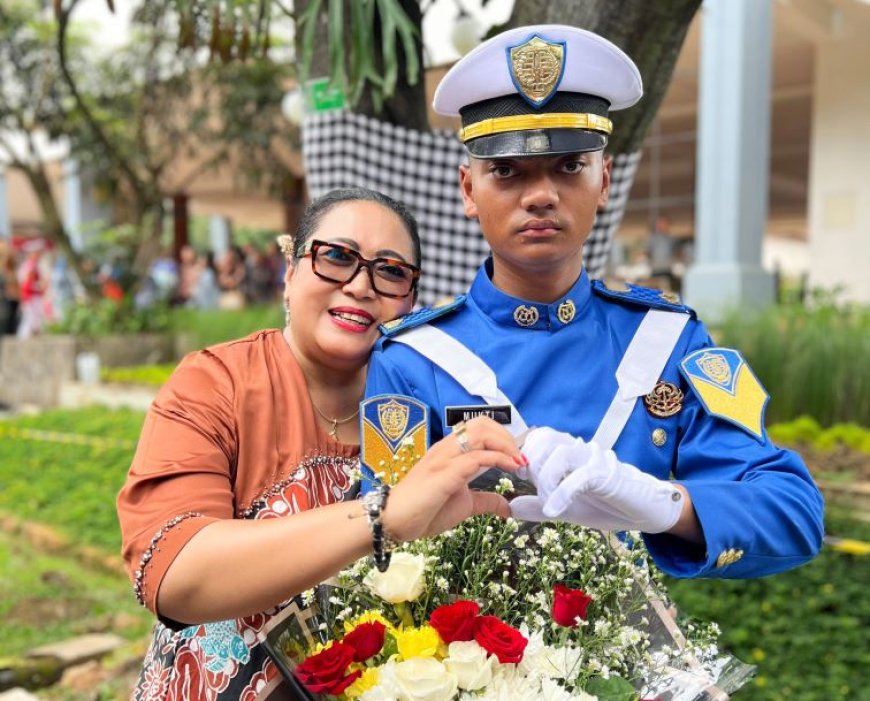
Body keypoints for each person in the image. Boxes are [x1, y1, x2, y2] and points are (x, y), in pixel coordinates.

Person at [364, 25, 824, 580]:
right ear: (468, 190)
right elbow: (383, 543)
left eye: (569, 166)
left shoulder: (665, 342)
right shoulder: (415, 357)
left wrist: (666, 504)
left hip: (636, 663)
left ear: (603, 180)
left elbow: (794, 514)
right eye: (506, 170)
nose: (540, 195)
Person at [116, 188, 524, 701]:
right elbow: (175, 575)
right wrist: (382, 518)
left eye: (391, 271)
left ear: (411, 300)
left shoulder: (431, 407)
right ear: (290, 271)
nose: (359, 285)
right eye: (336, 257)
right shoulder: (217, 382)